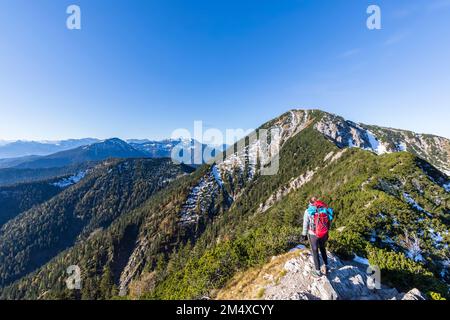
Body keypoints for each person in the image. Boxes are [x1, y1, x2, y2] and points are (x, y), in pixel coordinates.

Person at [301, 197, 334, 277]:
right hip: (324, 233)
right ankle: (326, 266)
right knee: (322, 248)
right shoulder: (324, 209)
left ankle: (318, 271)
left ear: (309, 203)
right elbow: (329, 220)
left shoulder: (308, 211)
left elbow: (306, 224)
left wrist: (304, 234)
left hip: (313, 234)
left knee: (315, 251)